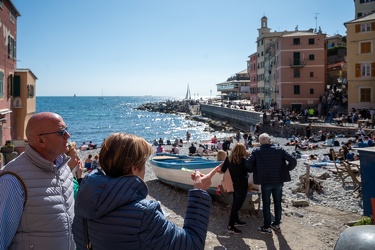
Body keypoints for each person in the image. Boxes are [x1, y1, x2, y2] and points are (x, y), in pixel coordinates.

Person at [72, 132, 219, 249]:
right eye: (143, 164)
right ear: (134, 168)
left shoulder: (84, 200)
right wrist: (199, 192)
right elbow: (192, 245)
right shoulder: (144, 214)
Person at [0, 112, 75, 249]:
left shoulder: (63, 167)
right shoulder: (12, 180)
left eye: (67, 130)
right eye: (61, 132)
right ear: (41, 141)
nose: (68, 135)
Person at [246, 133, 297, 235]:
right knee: (277, 202)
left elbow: (248, 163)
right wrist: (285, 170)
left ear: (260, 142)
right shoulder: (279, 150)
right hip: (278, 180)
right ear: (269, 141)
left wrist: (254, 169)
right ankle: (276, 223)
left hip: (265, 181)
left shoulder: (257, 151)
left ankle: (266, 226)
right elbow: (293, 161)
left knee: (266, 204)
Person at [220, 143, 250, 234]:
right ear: (242, 151)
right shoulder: (244, 161)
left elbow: (223, 170)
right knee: (237, 206)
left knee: (235, 203)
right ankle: (230, 226)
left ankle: (236, 220)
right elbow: (250, 170)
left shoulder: (228, 159)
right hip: (242, 185)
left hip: (233, 184)